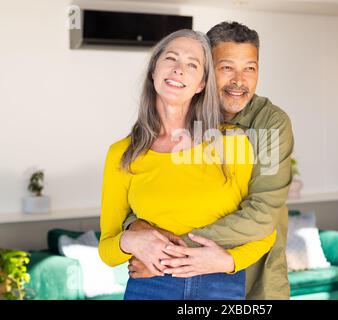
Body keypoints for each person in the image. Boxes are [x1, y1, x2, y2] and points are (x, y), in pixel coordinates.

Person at [98, 29, 277, 300]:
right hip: (150, 285)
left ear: (202, 84)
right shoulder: (122, 153)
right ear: (154, 70)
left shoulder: (233, 143)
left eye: (192, 65)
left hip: (220, 286)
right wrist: (131, 240)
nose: (179, 69)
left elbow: (265, 229)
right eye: (171, 59)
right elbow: (106, 249)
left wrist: (227, 262)